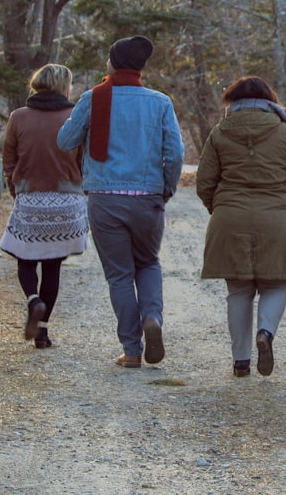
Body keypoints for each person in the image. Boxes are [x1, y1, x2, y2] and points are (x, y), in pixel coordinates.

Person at [57, 35, 184, 369]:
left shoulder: (94, 98)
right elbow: (176, 153)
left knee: (119, 275)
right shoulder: (160, 102)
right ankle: (152, 317)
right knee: (148, 262)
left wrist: (84, 117)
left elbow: (65, 140)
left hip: (105, 198)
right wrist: (166, 188)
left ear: (113, 63)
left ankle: (131, 350)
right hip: (147, 199)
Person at [196, 76, 286, 377]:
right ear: (269, 99)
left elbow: (205, 182)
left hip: (229, 217)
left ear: (232, 101)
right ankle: (266, 333)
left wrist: (220, 208)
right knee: (276, 283)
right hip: (277, 217)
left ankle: (240, 362)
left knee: (238, 290)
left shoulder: (220, 132)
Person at [0, 64, 88, 349]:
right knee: (52, 267)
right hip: (67, 201)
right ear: (64, 86)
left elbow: (9, 159)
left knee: (24, 259)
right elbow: (84, 160)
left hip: (30, 197)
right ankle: (43, 333)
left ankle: (32, 300)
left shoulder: (18, 117)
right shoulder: (75, 116)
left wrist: (18, 191)